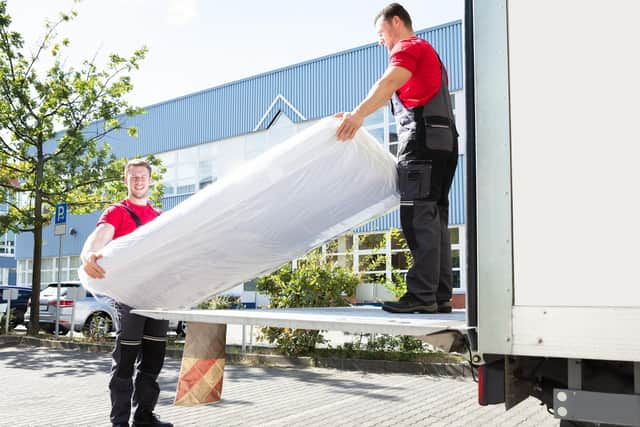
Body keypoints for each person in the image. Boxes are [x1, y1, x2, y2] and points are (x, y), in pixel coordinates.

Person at [336, 3, 458, 314]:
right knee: (435, 219)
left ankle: (421, 295)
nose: (381, 41)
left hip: (422, 144)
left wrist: (357, 115)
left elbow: (388, 82)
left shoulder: (409, 47)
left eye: (381, 33)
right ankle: (439, 295)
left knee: (417, 218)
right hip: (443, 143)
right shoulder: (430, 54)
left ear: (396, 21)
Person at [81, 159, 173, 427]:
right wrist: (89, 257)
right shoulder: (117, 213)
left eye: (142, 176)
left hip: (157, 298)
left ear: (150, 180)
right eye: (133, 177)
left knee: (153, 360)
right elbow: (98, 239)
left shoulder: (159, 218)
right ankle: (119, 421)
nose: (138, 181)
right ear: (125, 180)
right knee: (125, 361)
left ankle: (144, 416)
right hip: (129, 298)